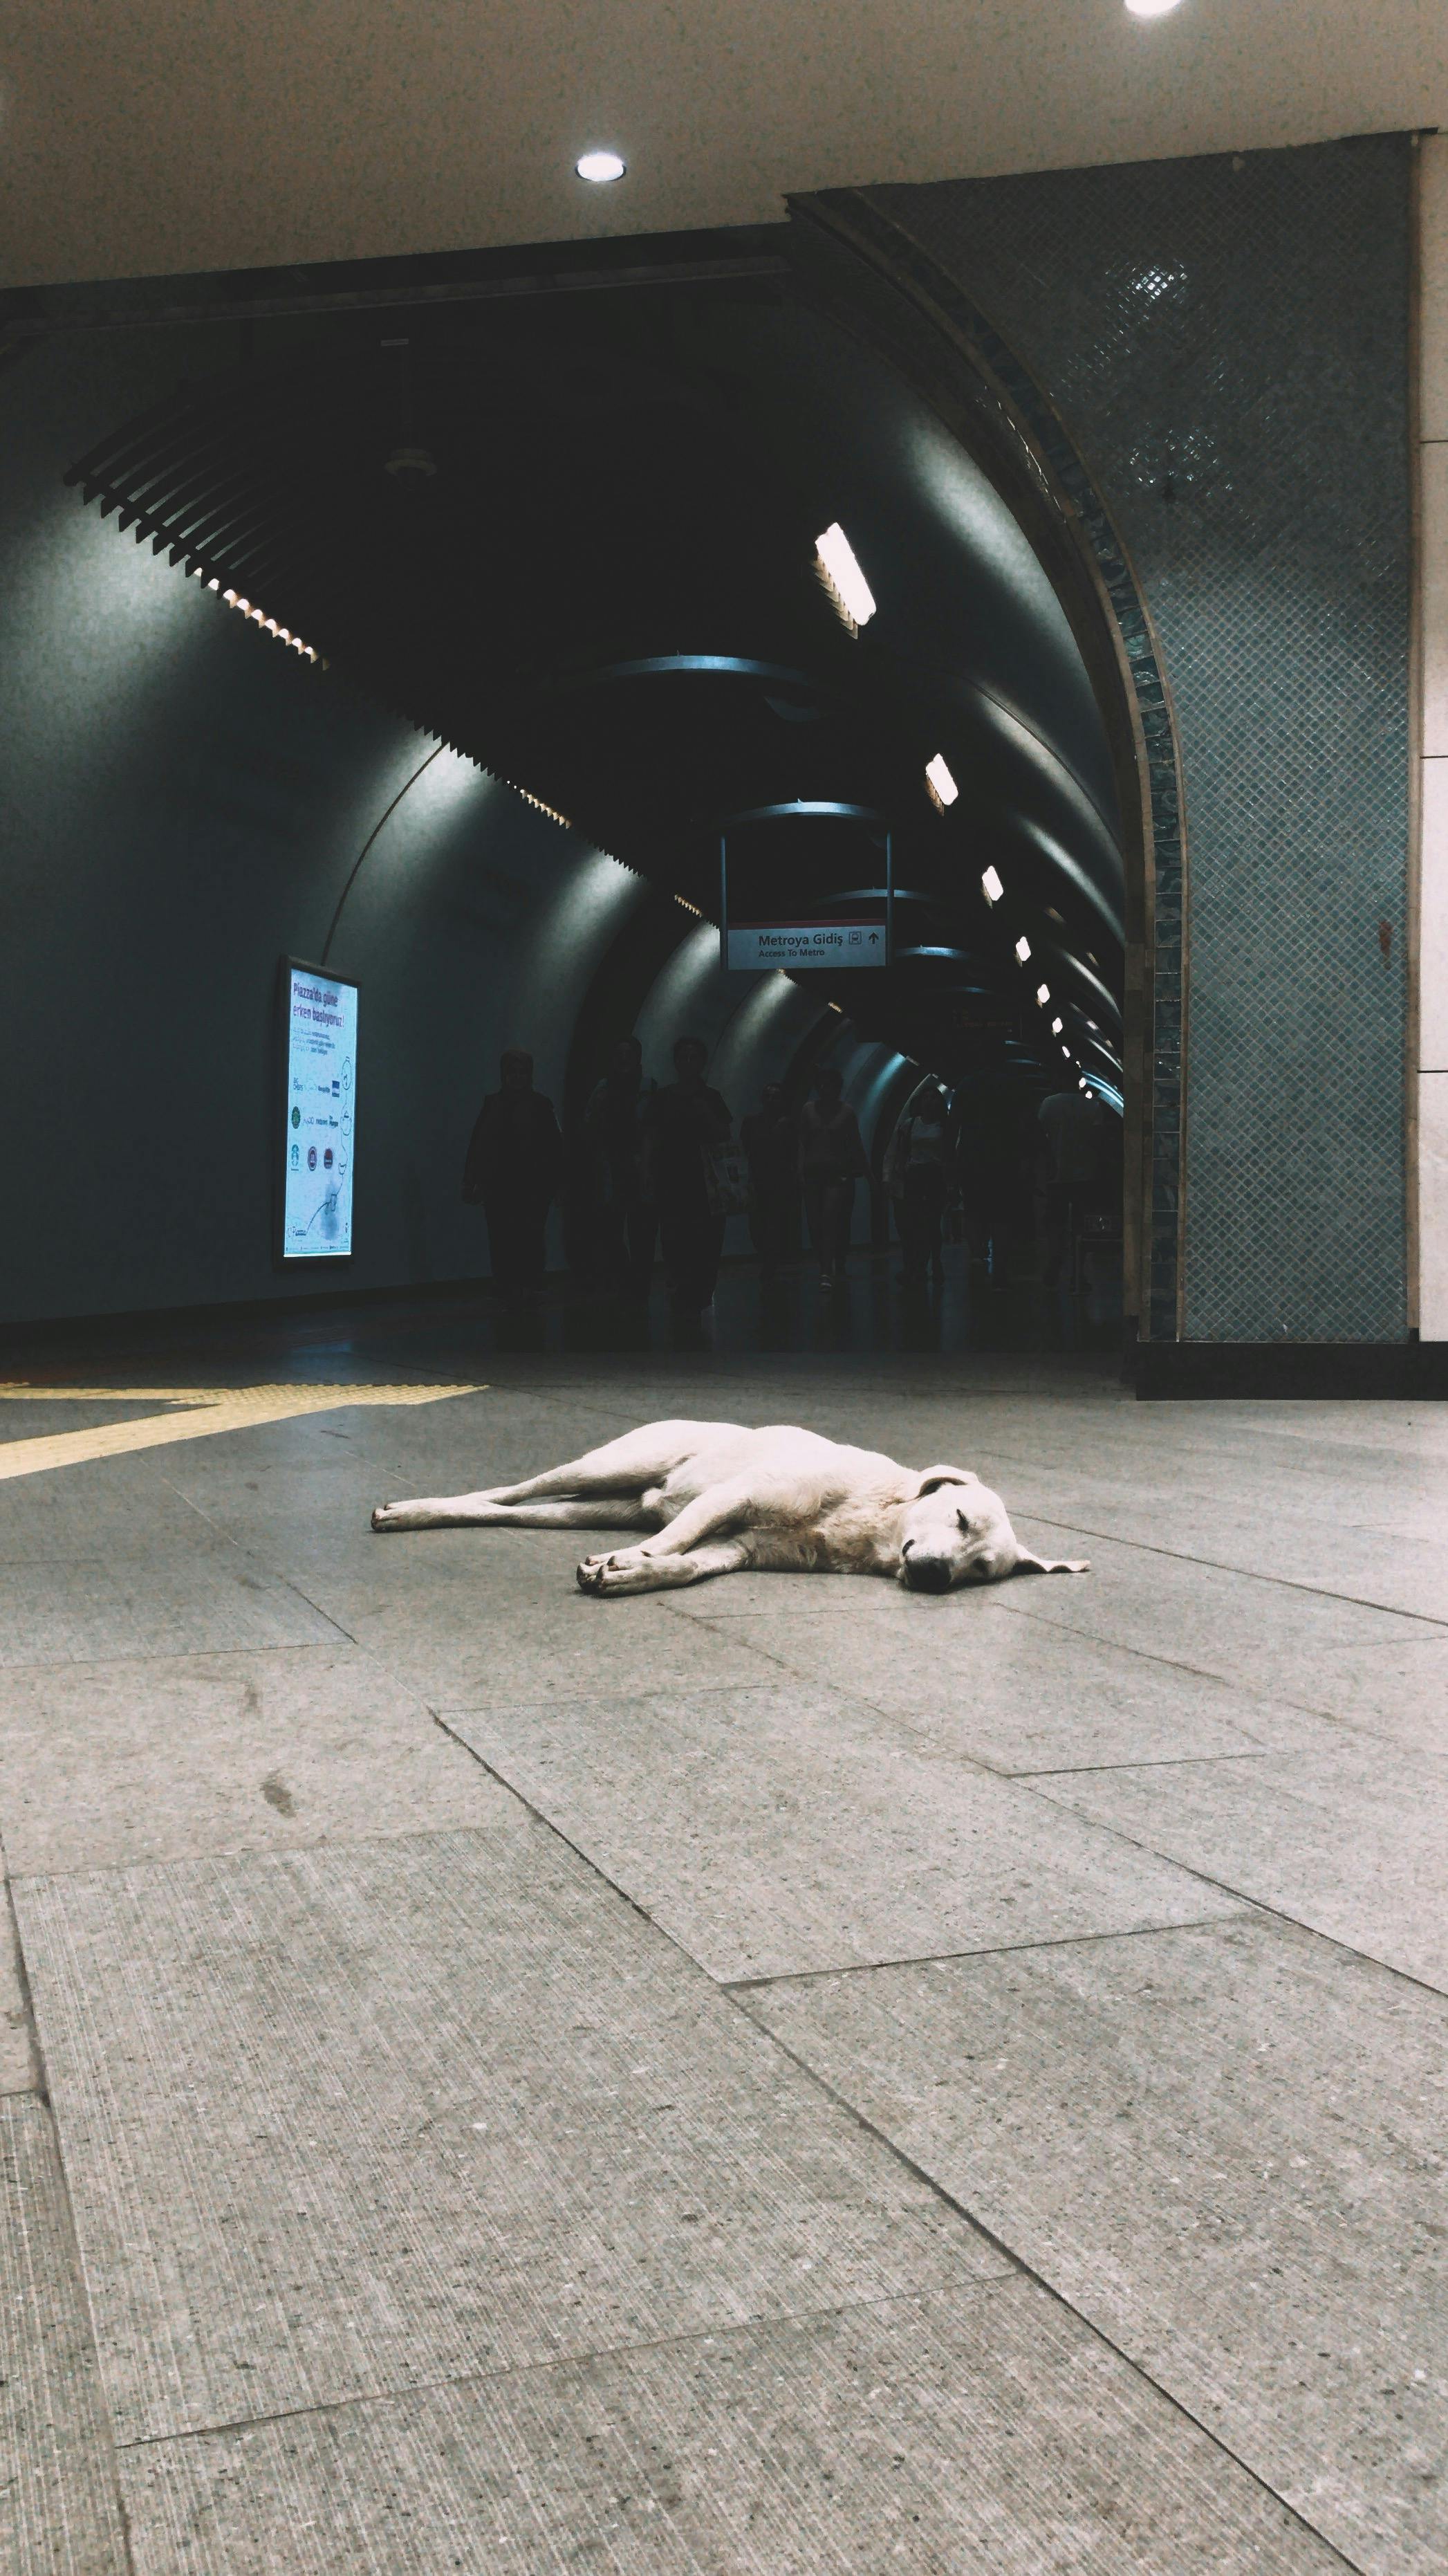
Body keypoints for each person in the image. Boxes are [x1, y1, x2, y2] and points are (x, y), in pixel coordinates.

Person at [461, 1047, 562, 1309]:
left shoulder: (540, 1105)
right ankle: (511, 1284)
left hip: (531, 1186)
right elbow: (479, 1145)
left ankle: (527, 1283)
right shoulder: (497, 1104)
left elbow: (555, 1148)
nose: (517, 1078)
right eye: (513, 1073)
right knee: (503, 1237)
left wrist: (556, 1184)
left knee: (528, 1235)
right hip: (501, 1185)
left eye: (522, 1073)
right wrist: (472, 1179)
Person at [641, 1037, 733, 1314]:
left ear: (702, 1062)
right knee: (674, 1236)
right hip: (672, 1177)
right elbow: (652, 1137)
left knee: (707, 1239)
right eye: (684, 1058)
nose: (689, 1063)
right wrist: (647, 1172)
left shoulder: (711, 1098)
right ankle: (682, 1285)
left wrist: (706, 1115)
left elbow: (724, 1136)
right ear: (676, 1062)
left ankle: (702, 1289)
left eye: (694, 1058)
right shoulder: (663, 1099)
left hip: (706, 1181)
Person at [582, 1034, 656, 1299]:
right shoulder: (603, 1088)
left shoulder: (648, 1087)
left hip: (639, 1165)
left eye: (629, 1053)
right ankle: (625, 1279)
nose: (624, 1059)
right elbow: (589, 1126)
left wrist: (648, 1167)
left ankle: (639, 1285)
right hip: (611, 1165)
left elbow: (651, 1129)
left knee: (642, 1231)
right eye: (619, 1053)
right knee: (610, 1229)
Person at [797, 1065, 867, 1290]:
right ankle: (826, 1262)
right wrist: (799, 1170)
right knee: (815, 1223)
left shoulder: (846, 1112)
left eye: (832, 1084)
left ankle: (826, 1271)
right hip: (812, 1172)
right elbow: (802, 1142)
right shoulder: (808, 1110)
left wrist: (868, 1174)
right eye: (823, 1084)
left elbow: (856, 1145)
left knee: (829, 1219)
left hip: (837, 1173)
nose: (827, 1089)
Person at [1037, 1084, 1109, 1287]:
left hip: (1056, 1173)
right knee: (1081, 1223)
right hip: (1085, 1173)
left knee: (1055, 1222)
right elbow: (1099, 1140)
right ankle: (1079, 1270)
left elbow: (1040, 1135)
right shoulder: (1092, 1106)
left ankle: (1054, 1262)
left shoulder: (1049, 1103)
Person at [887, 1085, 956, 1285]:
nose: (929, 1101)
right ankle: (917, 1266)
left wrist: (951, 1185)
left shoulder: (944, 1126)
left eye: (933, 1097)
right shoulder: (910, 1124)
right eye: (925, 1097)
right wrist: (895, 1176)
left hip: (935, 1176)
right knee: (914, 1224)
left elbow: (950, 1156)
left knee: (932, 1223)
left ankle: (933, 1261)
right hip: (914, 1175)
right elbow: (901, 1151)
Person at [740, 1080, 799, 1280]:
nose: (771, 1100)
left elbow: (793, 1153)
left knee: (773, 1222)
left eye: (775, 1097)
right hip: (757, 1179)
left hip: (779, 1179)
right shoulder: (751, 1122)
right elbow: (745, 1149)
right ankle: (767, 1257)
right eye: (768, 1096)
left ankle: (770, 1262)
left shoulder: (787, 1124)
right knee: (757, 1225)